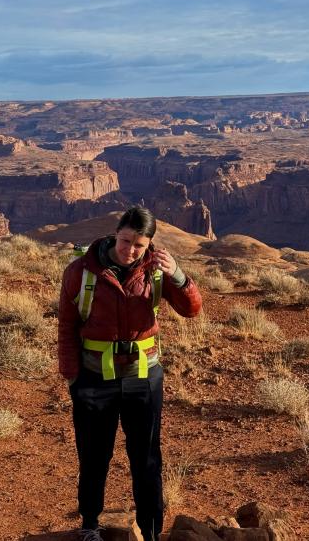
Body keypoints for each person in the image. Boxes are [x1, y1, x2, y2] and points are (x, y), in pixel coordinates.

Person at [58, 206, 203, 541]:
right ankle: (90, 525)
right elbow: (67, 325)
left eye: (139, 245)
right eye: (126, 241)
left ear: (149, 243)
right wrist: (72, 376)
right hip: (94, 379)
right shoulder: (81, 271)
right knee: (94, 456)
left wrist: (178, 274)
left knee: (147, 459)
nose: (131, 250)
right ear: (116, 234)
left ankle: (151, 533)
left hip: (143, 378)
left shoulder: (157, 271)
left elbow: (191, 310)